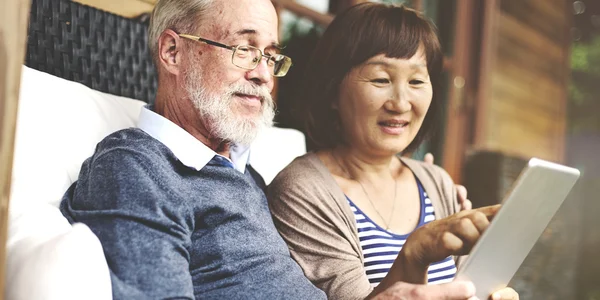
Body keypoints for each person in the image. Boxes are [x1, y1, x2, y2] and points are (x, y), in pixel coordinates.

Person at [59, 0, 483, 299]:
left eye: (271, 56)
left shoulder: (242, 174)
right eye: (244, 50)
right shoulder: (136, 168)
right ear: (173, 51)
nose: (264, 74)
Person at [267, 3, 518, 300]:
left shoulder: (435, 181)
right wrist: (415, 252)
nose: (400, 103)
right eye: (381, 80)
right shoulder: (303, 190)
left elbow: (470, 286)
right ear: (333, 91)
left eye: (416, 81)